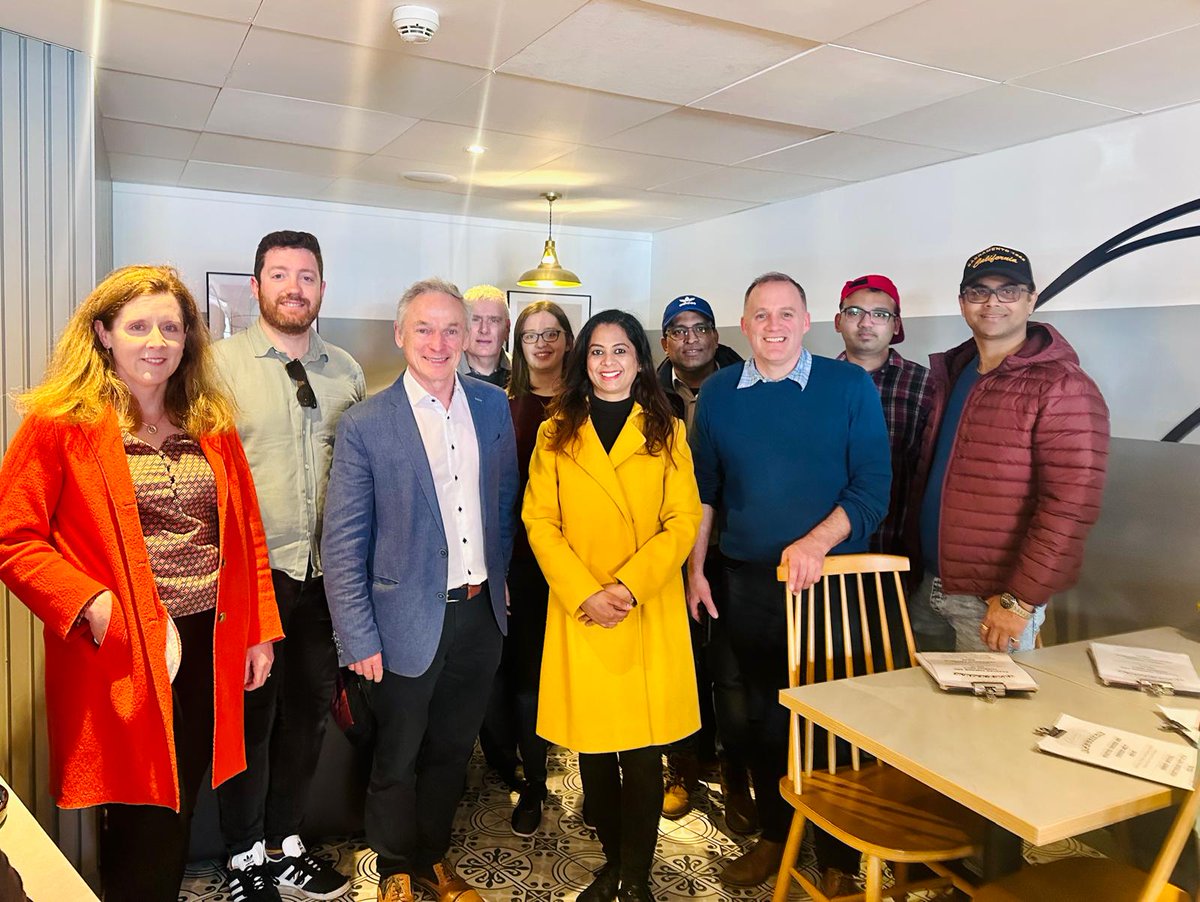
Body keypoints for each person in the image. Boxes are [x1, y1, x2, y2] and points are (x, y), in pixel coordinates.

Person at [0, 265, 281, 902]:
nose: (156, 340)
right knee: (141, 814)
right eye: (137, 326)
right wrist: (92, 603)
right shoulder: (60, 425)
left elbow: (247, 535)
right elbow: (12, 537)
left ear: (188, 340)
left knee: (181, 801)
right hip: (127, 649)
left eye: (171, 327)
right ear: (102, 333)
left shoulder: (210, 422)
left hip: (211, 641)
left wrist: (259, 632)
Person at [688, 272, 891, 894]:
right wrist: (697, 569)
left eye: (785, 314)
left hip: (831, 583)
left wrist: (814, 542)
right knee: (761, 721)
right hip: (747, 583)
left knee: (831, 722)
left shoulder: (849, 386)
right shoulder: (721, 393)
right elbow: (705, 495)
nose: (772, 326)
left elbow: (872, 490)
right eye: (759, 315)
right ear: (743, 325)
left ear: (807, 322)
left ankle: (837, 856)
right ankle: (778, 835)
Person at [322, 278, 518, 902]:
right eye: (425, 329)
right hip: (400, 624)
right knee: (396, 755)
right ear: (401, 335)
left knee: (451, 752)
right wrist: (357, 638)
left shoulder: (491, 407)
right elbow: (344, 542)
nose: (439, 342)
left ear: (468, 337)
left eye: (451, 329)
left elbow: (505, 504)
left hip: (479, 617)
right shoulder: (365, 423)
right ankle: (395, 866)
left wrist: (503, 584)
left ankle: (433, 858)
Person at [524, 309, 702, 902]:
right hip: (583, 609)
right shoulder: (556, 431)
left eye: (620, 351)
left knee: (644, 754)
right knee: (594, 752)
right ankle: (612, 861)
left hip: (643, 607)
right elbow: (539, 522)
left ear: (640, 359)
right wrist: (585, 593)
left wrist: (628, 588)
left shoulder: (667, 429)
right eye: (597, 352)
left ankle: (638, 874)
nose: (608, 363)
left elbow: (681, 522)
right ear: (583, 361)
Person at [212, 231, 364, 901]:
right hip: (251, 576)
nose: (293, 287)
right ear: (256, 286)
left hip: (326, 576)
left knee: (308, 716)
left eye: (306, 275)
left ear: (322, 288)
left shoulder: (348, 372)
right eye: (279, 274)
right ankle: (243, 855)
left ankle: (286, 842)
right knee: (249, 720)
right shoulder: (216, 369)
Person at [911, 246, 1110, 655]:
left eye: (1009, 291)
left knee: (988, 718)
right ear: (962, 302)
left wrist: (1018, 600)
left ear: (1031, 299)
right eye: (979, 292)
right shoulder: (956, 371)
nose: (992, 303)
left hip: (993, 602)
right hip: (930, 584)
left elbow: (1070, 507)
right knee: (925, 716)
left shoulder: (1062, 386)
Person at [655, 294, 755, 832]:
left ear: (716, 335)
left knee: (730, 672)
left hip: (731, 548)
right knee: (682, 663)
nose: (690, 338)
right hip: (671, 550)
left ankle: (737, 777)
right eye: (678, 329)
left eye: (700, 328)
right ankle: (683, 766)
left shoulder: (748, 384)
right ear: (665, 341)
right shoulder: (648, 393)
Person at [479, 301, 575, 837]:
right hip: (518, 564)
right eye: (530, 334)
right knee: (520, 679)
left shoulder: (587, 403)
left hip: (579, 566)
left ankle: (571, 772)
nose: (541, 343)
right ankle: (531, 781)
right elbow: (492, 493)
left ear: (567, 341)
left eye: (552, 333)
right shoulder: (501, 406)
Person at [834, 274, 931, 566]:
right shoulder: (819, 383)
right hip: (831, 547)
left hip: (899, 548)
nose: (866, 323)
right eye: (854, 312)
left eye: (880, 314)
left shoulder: (926, 384)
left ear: (895, 325)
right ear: (838, 321)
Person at [460, 284, 511, 387]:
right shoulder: (444, 372)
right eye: (475, 320)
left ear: (507, 328)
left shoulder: (523, 373)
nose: (484, 330)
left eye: (494, 320)